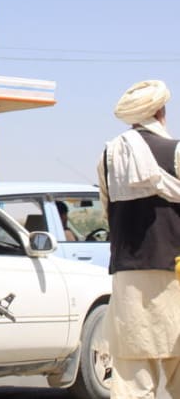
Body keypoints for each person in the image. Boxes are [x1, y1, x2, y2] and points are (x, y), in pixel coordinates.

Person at [98, 79, 180, 398]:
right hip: (173, 275)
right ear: (161, 111)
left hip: (129, 276)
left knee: (132, 377)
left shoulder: (109, 156)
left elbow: (109, 213)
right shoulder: (175, 152)